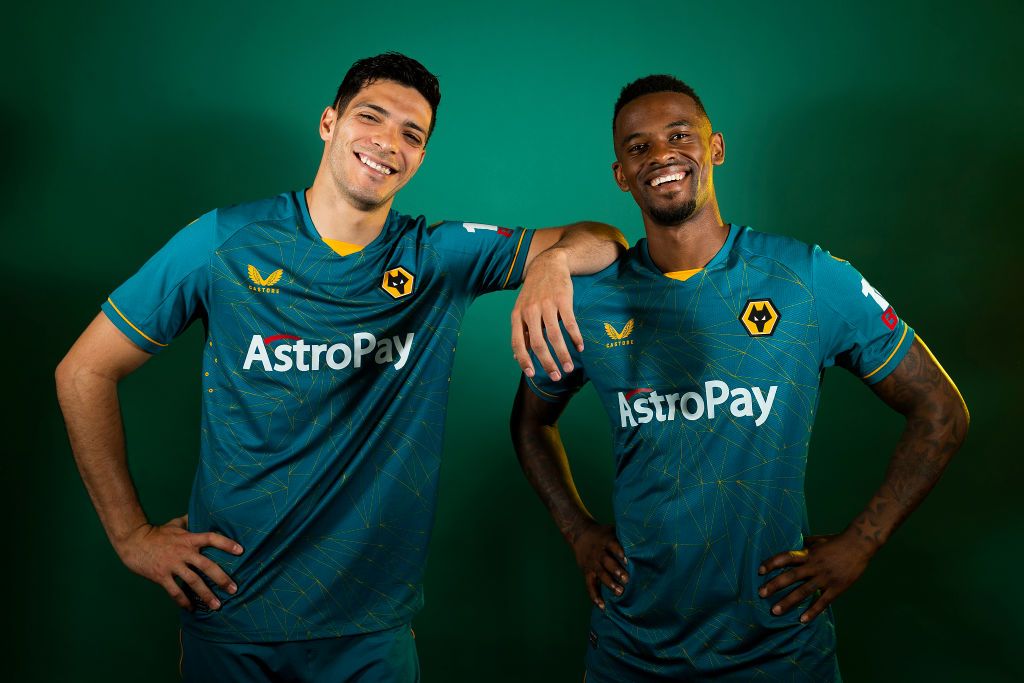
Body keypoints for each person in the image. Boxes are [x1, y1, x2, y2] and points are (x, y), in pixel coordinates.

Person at [55, 52, 625, 682]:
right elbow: (83, 371)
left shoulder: (438, 256)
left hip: (369, 633)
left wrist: (550, 264)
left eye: (412, 134)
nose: (388, 143)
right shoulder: (225, 240)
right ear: (329, 122)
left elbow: (602, 239)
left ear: (421, 158)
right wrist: (131, 535)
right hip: (232, 612)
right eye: (371, 118)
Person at [510, 74, 969, 682]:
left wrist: (863, 542)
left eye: (680, 135)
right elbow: (530, 423)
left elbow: (941, 409)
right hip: (630, 651)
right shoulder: (592, 301)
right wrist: (578, 532)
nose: (662, 155)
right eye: (638, 146)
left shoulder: (808, 278)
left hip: (778, 649)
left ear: (715, 147)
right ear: (621, 174)